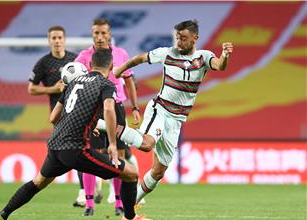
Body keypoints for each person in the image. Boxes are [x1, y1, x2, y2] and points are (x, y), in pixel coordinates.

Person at [0, 48, 159, 220]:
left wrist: (85, 126)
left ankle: (1, 216)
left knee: (37, 182)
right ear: (111, 65)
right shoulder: (106, 84)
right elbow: (108, 110)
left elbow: (53, 117)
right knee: (131, 173)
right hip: (75, 149)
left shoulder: (74, 82)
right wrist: (113, 145)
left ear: (90, 65)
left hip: (55, 144)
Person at [97, 20, 233, 204]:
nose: (179, 42)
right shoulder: (168, 53)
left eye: (183, 38)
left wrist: (224, 54)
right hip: (160, 109)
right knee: (146, 144)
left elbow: (219, 65)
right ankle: (101, 124)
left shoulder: (203, 57)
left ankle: (132, 203)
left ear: (195, 38)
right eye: (177, 37)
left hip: (176, 120)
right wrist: (120, 69)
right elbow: (140, 58)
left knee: (158, 171)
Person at [75, 18, 140, 216]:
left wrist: (135, 107)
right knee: (91, 154)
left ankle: (119, 203)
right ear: (92, 34)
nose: (100, 37)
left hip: (117, 108)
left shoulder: (120, 54)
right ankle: (89, 204)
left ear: (110, 34)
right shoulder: (83, 57)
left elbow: (129, 81)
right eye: (96, 33)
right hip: (93, 109)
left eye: (104, 33)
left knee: (119, 156)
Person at [27, 25, 85, 207]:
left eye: (60, 37)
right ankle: (87, 189)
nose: (57, 41)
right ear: (49, 40)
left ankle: (85, 192)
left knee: (78, 149)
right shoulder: (43, 63)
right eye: (54, 38)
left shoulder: (75, 59)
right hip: (58, 115)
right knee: (73, 151)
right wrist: (53, 89)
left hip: (77, 112)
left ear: (65, 39)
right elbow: (31, 88)